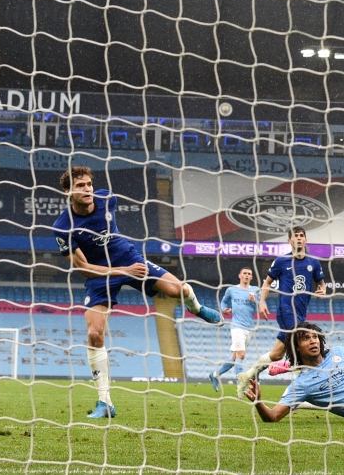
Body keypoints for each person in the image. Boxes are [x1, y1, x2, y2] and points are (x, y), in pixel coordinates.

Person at [52, 165, 223, 419]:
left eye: (89, 184)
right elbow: (85, 269)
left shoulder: (107, 199)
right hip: (101, 275)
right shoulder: (62, 227)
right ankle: (105, 403)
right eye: (80, 186)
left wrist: (127, 267)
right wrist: (123, 272)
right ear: (67, 192)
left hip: (128, 257)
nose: (87, 189)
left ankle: (196, 308)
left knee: (180, 289)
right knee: (94, 333)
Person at [236, 226, 326, 398]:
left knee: (277, 354)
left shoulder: (313, 263)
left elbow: (322, 284)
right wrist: (261, 302)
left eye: (301, 236)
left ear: (305, 240)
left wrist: (323, 291)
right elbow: (267, 282)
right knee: (303, 344)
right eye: (295, 236)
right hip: (286, 310)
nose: (299, 238)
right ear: (289, 241)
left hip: (301, 313)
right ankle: (299, 393)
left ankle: (246, 376)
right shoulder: (281, 261)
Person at [208, 267, 259, 393]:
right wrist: (225, 309)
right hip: (236, 327)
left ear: (251, 277)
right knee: (241, 354)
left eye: (249, 274)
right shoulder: (232, 290)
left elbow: (261, 307)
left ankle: (214, 375)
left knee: (235, 358)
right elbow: (224, 302)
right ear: (240, 276)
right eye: (245, 273)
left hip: (249, 328)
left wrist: (255, 301)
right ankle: (240, 384)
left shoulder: (256, 290)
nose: (247, 275)